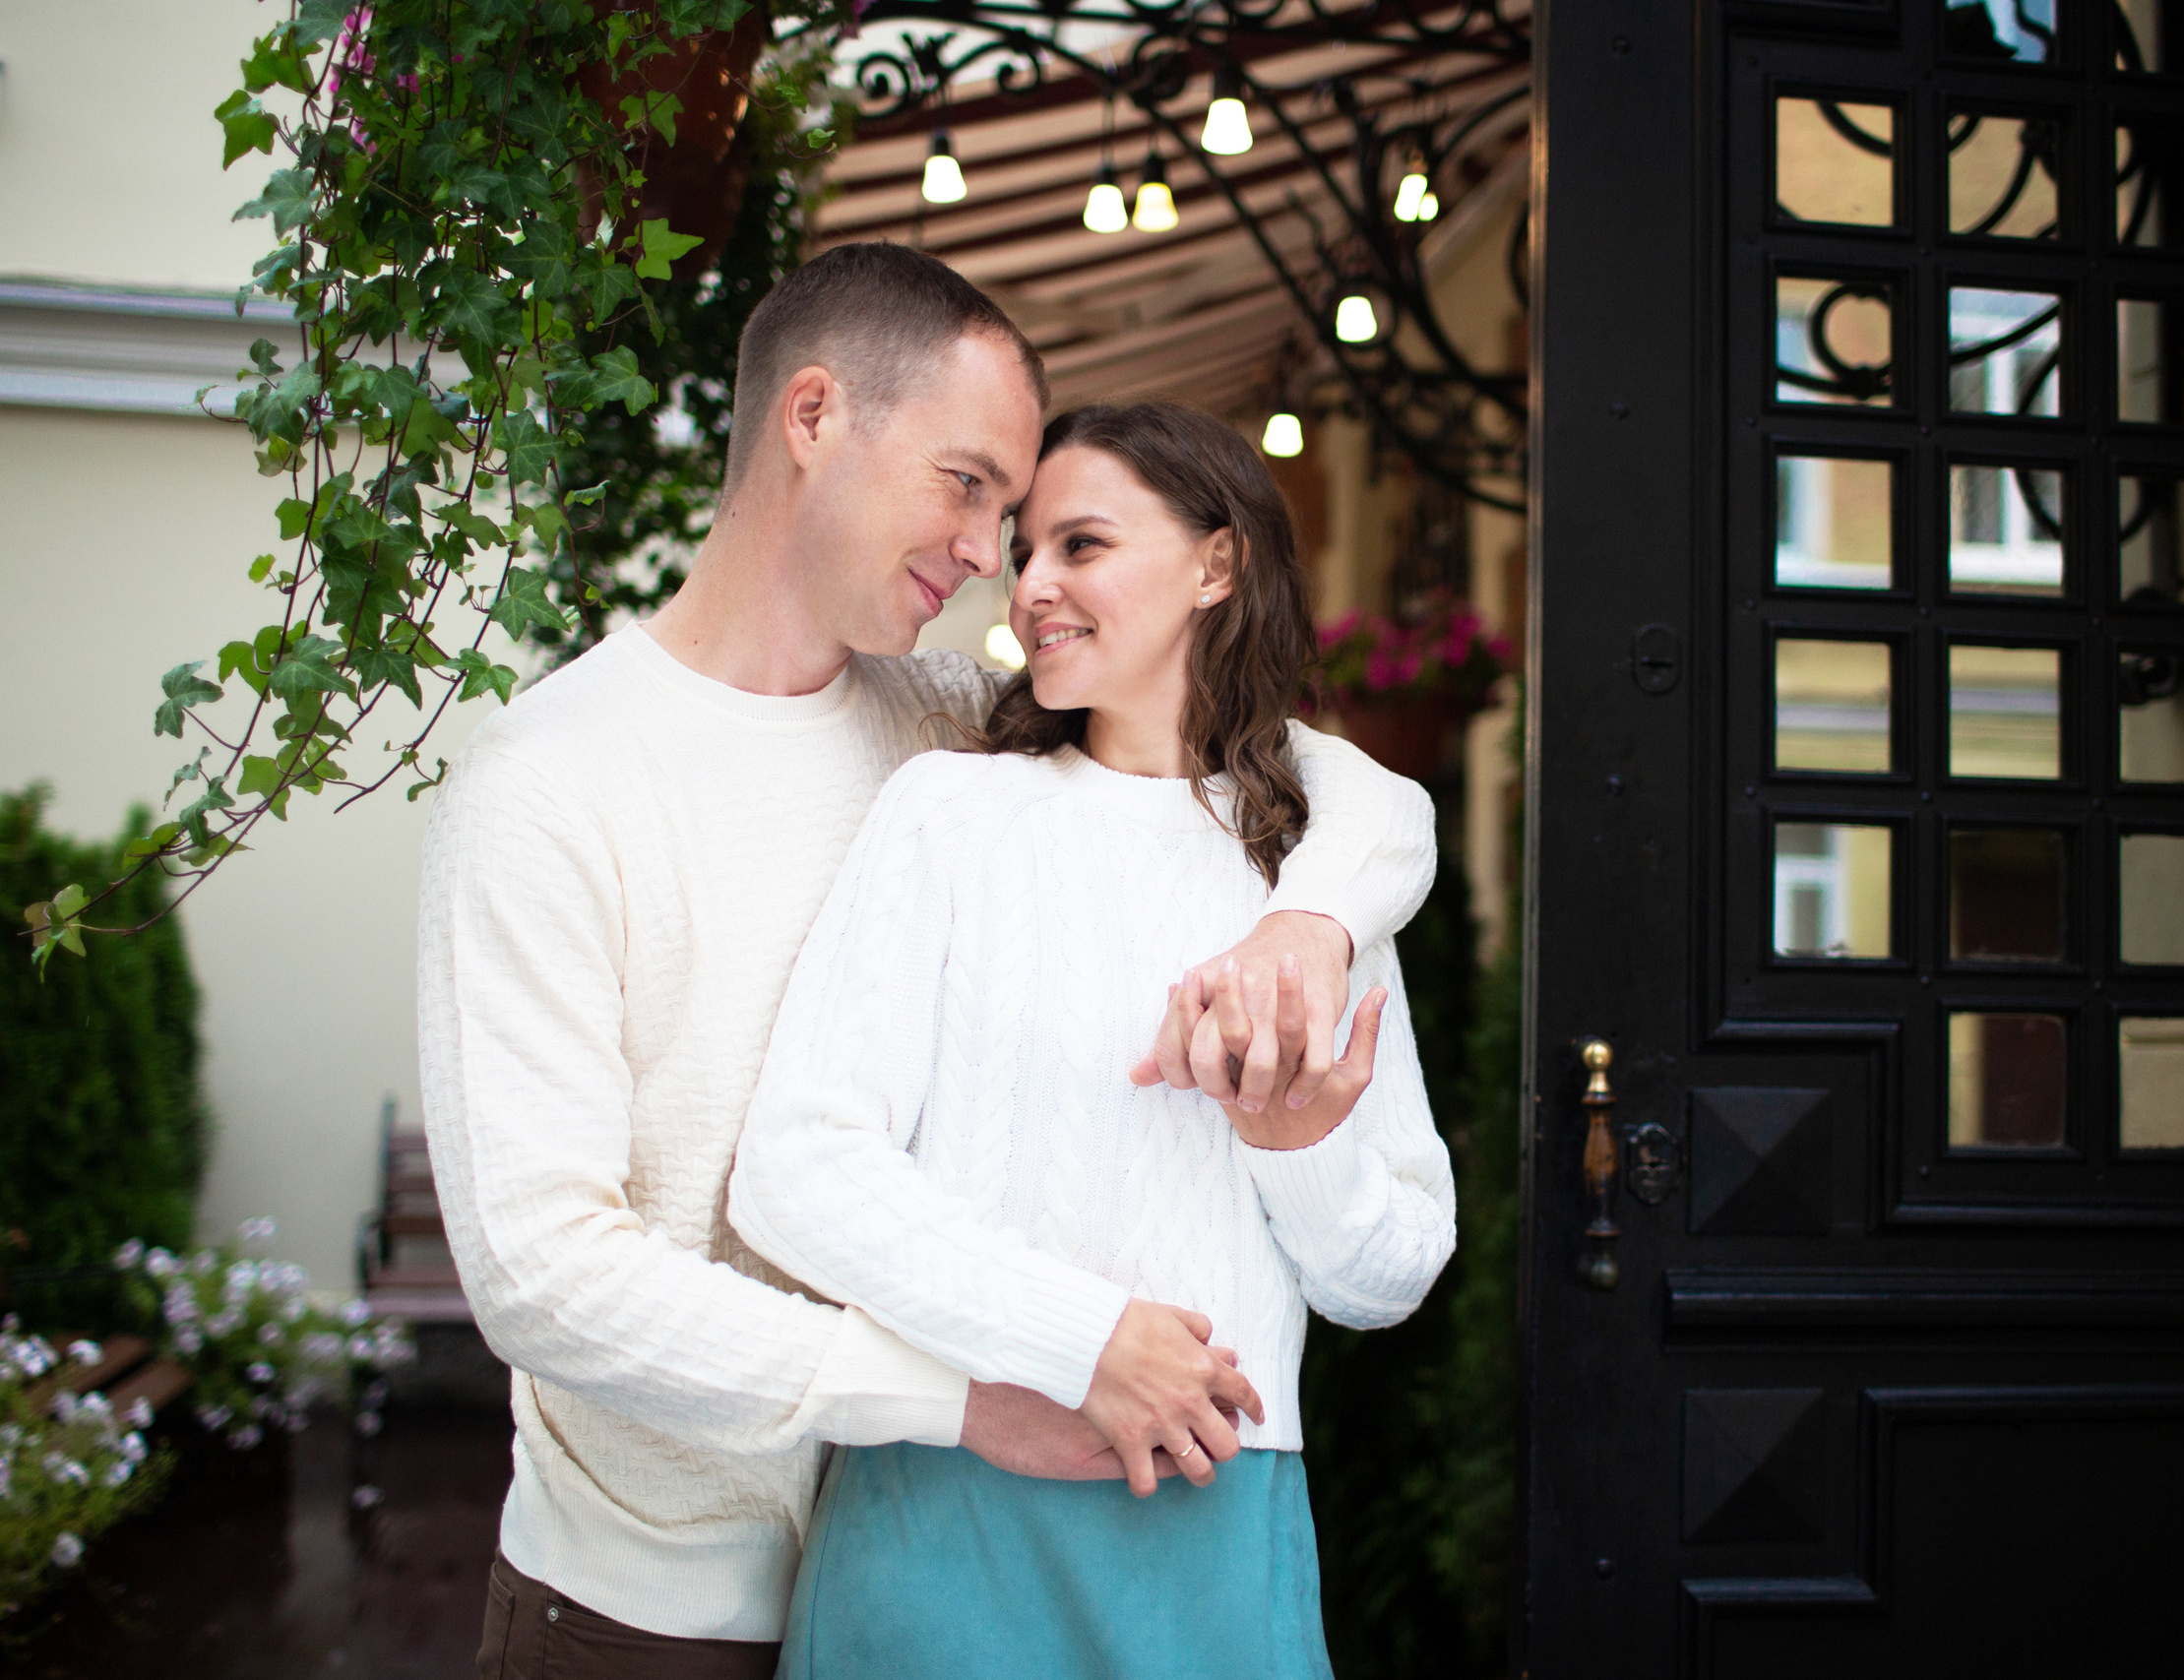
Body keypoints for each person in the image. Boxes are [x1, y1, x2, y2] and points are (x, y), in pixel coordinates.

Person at [416, 246, 1438, 1679]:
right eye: (972, 491)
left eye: (1027, 523)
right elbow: (543, 1276)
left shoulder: (945, 718)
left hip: (964, 1532)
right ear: (814, 416)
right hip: (663, 1599)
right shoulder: (552, 781)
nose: (992, 562)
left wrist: (1308, 926)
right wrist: (982, 1389)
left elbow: (1330, 790)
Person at [731, 401, 1459, 1679]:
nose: (1030, 586)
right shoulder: (953, 813)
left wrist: (1295, 1144)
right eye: (1025, 552)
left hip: (1214, 1523)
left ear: (1217, 563)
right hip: (948, 1515)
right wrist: (1086, 1339)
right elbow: (797, 1169)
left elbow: (1387, 1277)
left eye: (1082, 544)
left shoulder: (1318, 891)